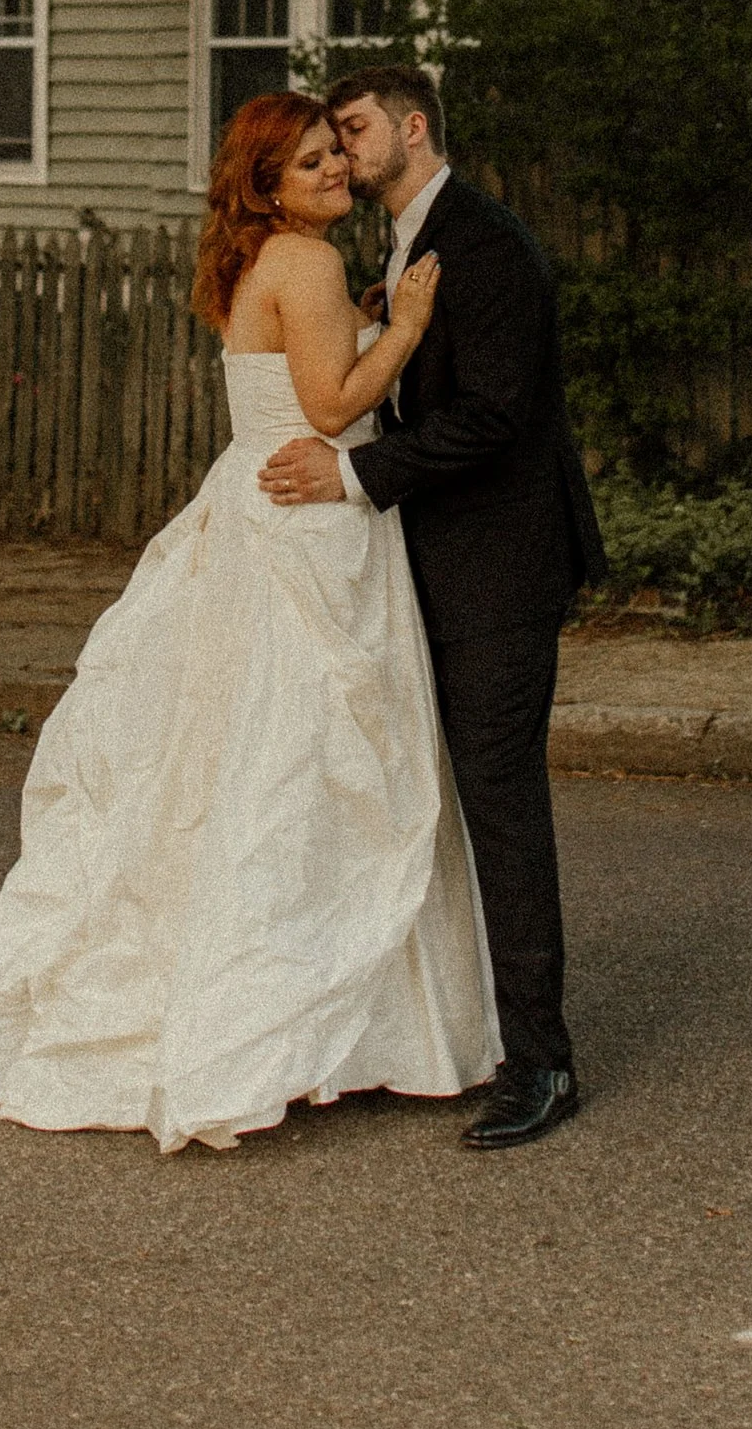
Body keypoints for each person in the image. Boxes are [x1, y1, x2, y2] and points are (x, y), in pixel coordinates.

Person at [0, 90, 498, 1153]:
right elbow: (326, 405)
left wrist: (361, 315)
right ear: (263, 184)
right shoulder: (302, 262)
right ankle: (295, 1023)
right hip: (308, 524)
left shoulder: (261, 257)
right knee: (303, 767)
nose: (331, 173)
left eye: (331, 155)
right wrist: (399, 327)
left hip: (254, 515)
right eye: (307, 162)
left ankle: (322, 1023)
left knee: (239, 763)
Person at [259, 62, 607, 1152]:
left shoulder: (486, 245)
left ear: (413, 129)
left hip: (500, 569)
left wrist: (356, 476)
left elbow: (496, 417)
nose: (343, 150)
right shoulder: (409, 244)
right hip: (442, 564)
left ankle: (542, 1066)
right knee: (441, 801)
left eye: (354, 131)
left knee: (500, 807)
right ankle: (450, 1030)